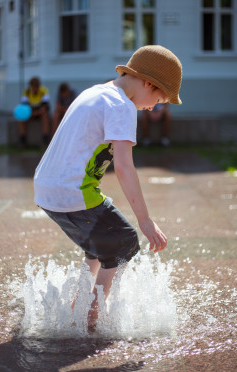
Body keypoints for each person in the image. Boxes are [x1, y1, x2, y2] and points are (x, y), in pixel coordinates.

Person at [33, 45, 182, 331]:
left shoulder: (96, 92)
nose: (153, 107)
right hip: (71, 190)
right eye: (158, 99)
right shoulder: (121, 105)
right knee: (124, 241)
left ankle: (77, 306)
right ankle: (93, 316)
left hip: (47, 188)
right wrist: (145, 221)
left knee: (99, 245)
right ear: (149, 83)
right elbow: (124, 167)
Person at [18, 77, 50, 148]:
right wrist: (30, 113)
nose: (34, 89)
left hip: (39, 113)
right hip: (30, 112)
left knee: (45, 116)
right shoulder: (26, 92)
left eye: (36, 87)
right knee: (21, 119)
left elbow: (44, 108)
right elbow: (24, 107)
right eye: (33, 87)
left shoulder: (44, 91)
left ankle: (45, 139)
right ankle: (22, 139)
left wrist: (35, 113)